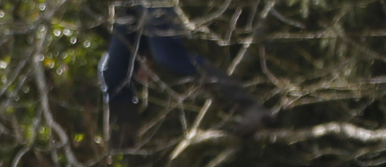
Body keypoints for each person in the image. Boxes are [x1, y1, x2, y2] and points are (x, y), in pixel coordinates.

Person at [101, 3, 272, 153]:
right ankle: (124, 144)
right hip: (129, 7)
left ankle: (250, 108)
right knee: (113, 71)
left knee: (170, 57)